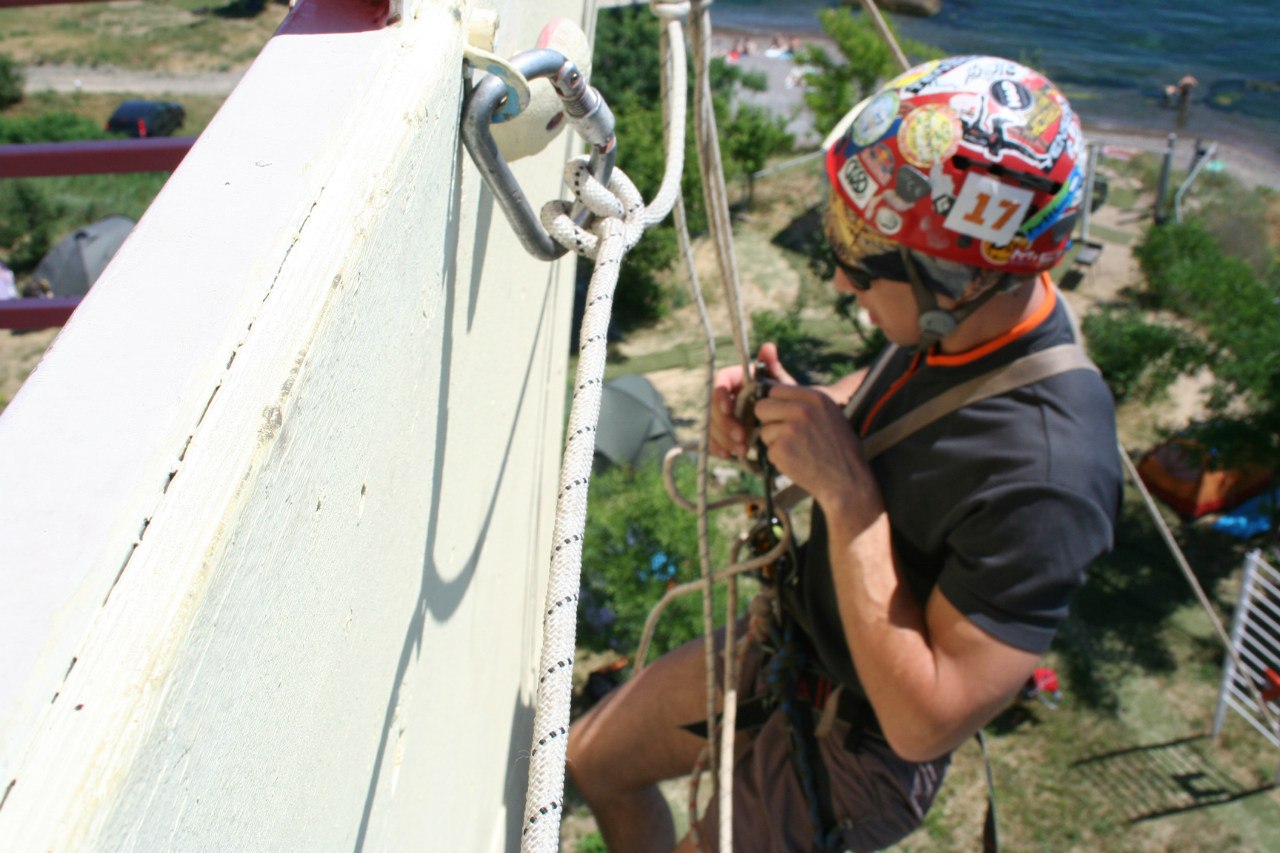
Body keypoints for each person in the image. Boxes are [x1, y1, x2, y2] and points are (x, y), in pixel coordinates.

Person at [568, 55, 1122, 852]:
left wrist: (849, 497)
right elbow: (888, 409)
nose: (837, 277)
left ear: (956, 280)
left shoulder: (1050, 479)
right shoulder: (966, 322)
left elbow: (926, 721)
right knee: (593, 758)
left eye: (863, 260)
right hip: (789, 646)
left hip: (860, 745)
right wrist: (787, 412)